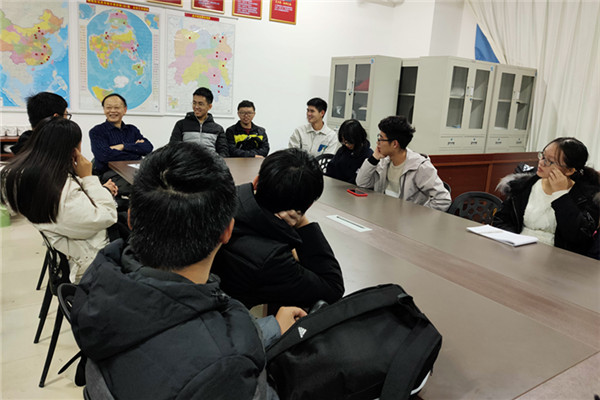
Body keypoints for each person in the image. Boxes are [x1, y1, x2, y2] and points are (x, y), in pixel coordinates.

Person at [70, 142, 305, 400]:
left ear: (130, 218)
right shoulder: (224, 367)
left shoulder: (99, 279)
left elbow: (179, 338)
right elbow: (206, 355)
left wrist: (270, 328)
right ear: (227, 231)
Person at [212, 148, 345, 310]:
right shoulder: (272, 259)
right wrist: (301, 222)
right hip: (228, 316)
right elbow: (333, 287)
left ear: (256, 181)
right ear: (309, 205)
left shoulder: (221, 198)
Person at [1, 117, 118, 283]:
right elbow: (106, 216)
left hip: (69, 243)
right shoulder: (61, 189)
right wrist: (89, 178)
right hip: (89, 260)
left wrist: (100, 189)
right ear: (73, 150)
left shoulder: (24, 175)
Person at [493, 137, 600, 258]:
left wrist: (561, 194)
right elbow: (502, 219)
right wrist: (513, 240)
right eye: (542, 156)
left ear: (569, 170)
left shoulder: (588, 196)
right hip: (516, 252)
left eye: (550, 161)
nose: (541, 162)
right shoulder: (524, 185)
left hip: (559, 260)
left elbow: (579, 237)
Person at [356, 116, 451, 211]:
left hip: (405, 219)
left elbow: (443, 199)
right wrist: (373, 159)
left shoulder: (419, 166)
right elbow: (362, 183)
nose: (378, 142)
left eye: (381, 138)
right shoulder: (384, 161)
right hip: (383, 213)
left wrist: (417, 215)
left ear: (394, 144)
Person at [89, 93, 154, 176]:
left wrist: (122, 146)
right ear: (104, 110)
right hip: (109, 174)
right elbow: (104, 155)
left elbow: (148, 148)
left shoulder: (132, 130)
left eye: (116, 107)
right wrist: (136, 152)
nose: (112, 111)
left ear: (125, 110)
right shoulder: (97, 131)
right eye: (108, 107)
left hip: (133, 171)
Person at [170, 87, 228, 156]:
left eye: (200, 104)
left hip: (210, 162)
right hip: (187, 161)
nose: (196, 107)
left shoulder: (218, 129)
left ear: (209, 106)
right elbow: (173, 148)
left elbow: (223, 152)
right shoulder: (181, 125)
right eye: (194, 103)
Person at [325, 119, 374, 184]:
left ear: (357, 139)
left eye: (348, 142)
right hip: (336, 185)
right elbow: (331, 169)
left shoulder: (368, 156)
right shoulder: (342, 150)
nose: (346, 145)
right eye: (343, 142)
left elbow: (360, 181)